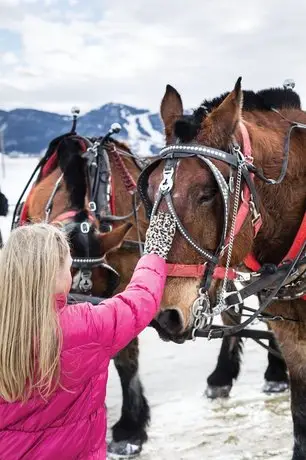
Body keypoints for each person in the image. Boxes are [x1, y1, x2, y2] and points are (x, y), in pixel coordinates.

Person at [0, 212, 176, 459]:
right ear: (55, 274)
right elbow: (141, 299)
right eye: (68, 267)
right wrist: (155, 252)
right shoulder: (86, 326)